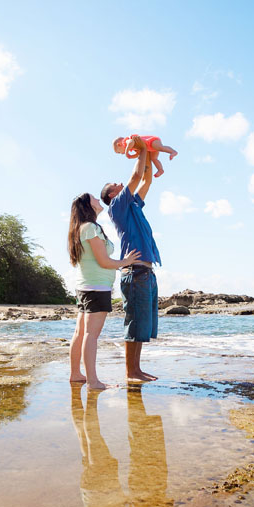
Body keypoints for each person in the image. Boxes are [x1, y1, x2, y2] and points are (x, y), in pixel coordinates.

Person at [101, 135, 161, 383]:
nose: (120, 184)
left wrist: (145, 150)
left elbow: (145, 179)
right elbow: (135, 178)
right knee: (134, 322)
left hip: (145, 271)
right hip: (134, 272)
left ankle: (136, 369)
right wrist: (140, 150)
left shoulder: (133, 205)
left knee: (143, 326)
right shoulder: (116, 207)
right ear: (112, 195)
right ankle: (130, 372)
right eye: (115, 184)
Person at [68, 192, 140, 390]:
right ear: (87, 206)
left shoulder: (80, 228)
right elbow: (104, 261)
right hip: (96, 288)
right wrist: (125, 263)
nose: (99, 201)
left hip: (85, 286)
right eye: (95, 199)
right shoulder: (91, 228)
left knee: (80, 332)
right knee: (91, 335)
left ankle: (76, 374)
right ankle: (93, 381)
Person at [112, 133, 178, 178]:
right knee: (154, 159)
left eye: (119, 152)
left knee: (160, 148)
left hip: (152, 141)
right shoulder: (132, 148)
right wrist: (131, 156)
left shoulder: (125, 141)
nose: (122, 153)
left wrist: (126, 152)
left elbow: (131, 142)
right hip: (150, 148)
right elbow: (138, 154)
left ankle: (173, 152)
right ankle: (160, 170)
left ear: (119, 145)